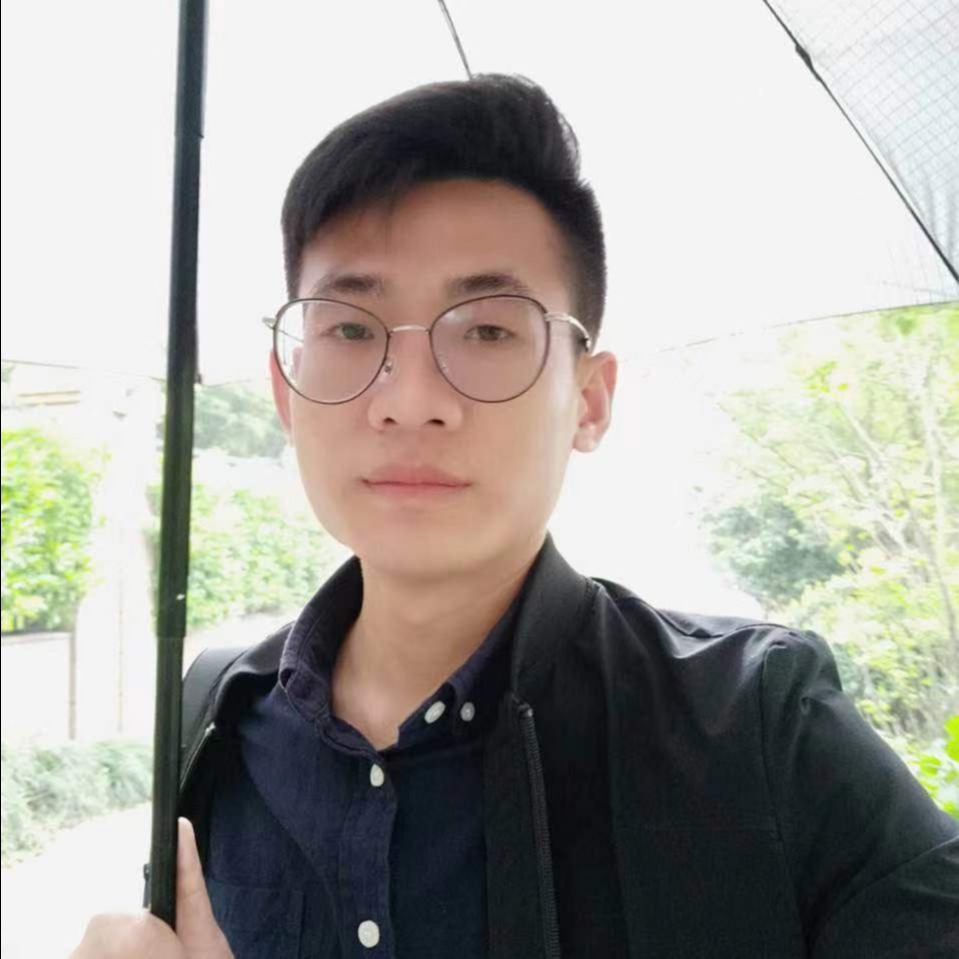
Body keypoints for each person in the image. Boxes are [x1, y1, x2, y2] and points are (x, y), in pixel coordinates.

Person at [72, 74, 957, 959]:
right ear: (283, 390)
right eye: (349, 328)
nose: (409, 401)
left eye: (487, 331)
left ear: (589, 401)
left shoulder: (758, 724)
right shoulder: (215, 721)